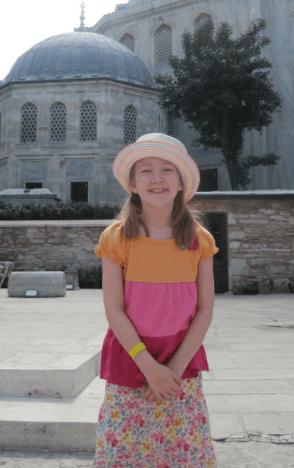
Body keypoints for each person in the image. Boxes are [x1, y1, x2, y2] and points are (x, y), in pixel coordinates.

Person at [91, 133, 218, 467]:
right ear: (132, 183)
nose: (157, 178)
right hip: (131, 356)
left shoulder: (199, 239)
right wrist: (148, 367)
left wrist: (171, 371)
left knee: (183, 450)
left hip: (181, 359)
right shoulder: (116, 238)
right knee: (125, 451)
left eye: (167, 170)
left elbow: (205, 309)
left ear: (181, 183)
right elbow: (113, 308)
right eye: (145, 170)